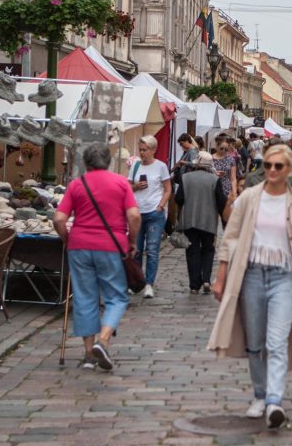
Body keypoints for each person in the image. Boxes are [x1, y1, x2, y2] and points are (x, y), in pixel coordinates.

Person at [208, 144, 292, 430]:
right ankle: (260, 394)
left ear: (289, 170)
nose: (271, 170)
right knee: (255, 342)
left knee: (276, 341)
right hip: (252, 276)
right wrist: (221, 277)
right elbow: (230, 238)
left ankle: (274, 401)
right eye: (268, 165)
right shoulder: (248, 198)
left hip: (284, 277)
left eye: (278, 166)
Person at [54, 143, 141, 371]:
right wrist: (132, 241)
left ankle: (88, 354)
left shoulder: (76, 184)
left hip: (80, 245)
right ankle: (103, 340)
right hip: (111, 245)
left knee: (84, 297)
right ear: (109, 161)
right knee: (116, 297)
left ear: (86, 163)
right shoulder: (121, 183)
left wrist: (66, 239)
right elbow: (133, 215)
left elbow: (59, 219)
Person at [176, 151, 227, 295]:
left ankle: (194, 285)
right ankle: (206, 279)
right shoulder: (214, 179)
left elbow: (178, 199)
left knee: (192, 251)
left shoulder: (185, 178)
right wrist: (223, 221)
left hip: (190, 219)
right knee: (208, 249)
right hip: (208, 220)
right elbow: (221, 202)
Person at [128, 135, 172, 299]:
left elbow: (167, 189)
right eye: (140, 150)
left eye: (145, 150)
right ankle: (137, 282)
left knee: (152, 250)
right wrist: (135, 186)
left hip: (154, 212)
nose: (142, 153)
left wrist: (161, 206)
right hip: (137, 212)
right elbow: (127, 187)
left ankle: (149, 284)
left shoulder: (161, 167)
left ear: (153, 150)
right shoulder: (135, 165)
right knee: (136, 250)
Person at [212, 133, 239, 202]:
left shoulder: (231, 159)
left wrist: (234, 192)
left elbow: (233, 178)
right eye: (221, 148)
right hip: (212, 187)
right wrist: (214, 173)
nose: (223, 151)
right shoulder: (210, 158)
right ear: (217, 147)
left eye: (226, 149)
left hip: (226, 188)